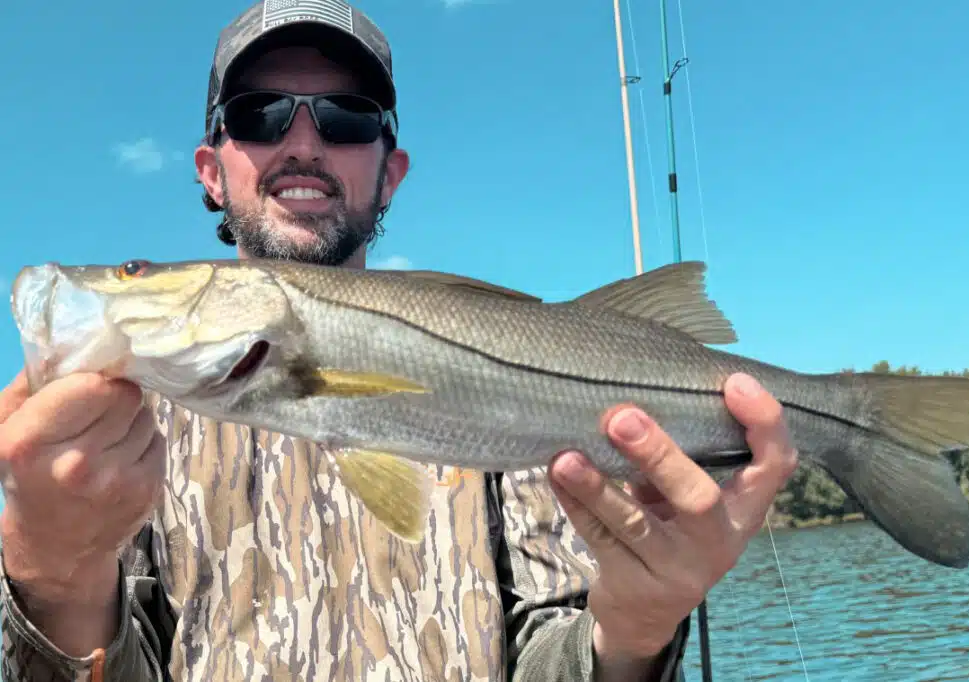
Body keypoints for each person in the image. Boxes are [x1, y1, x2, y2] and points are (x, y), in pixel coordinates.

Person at [0, 1, 798, 680]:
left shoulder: (508, 414)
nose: (303, 143)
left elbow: (556, 649)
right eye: (260, 115)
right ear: (212, 169)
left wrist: (633, 630)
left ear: (392, 170)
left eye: (346, 119)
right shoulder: (115, 447)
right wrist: (52, 579)